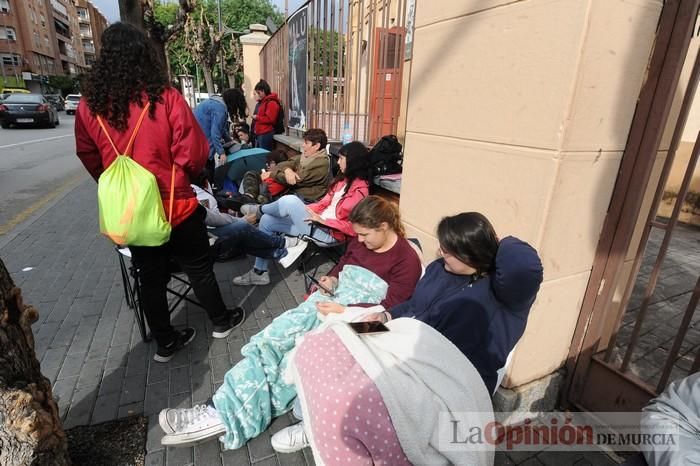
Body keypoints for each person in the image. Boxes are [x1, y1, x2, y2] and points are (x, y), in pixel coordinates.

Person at [156, 196, 422, 449]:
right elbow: (342, 264)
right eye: (358, 235)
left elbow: (388, 316)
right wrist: (331, 280)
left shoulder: (406, 260)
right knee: (271, 339)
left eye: (365, 234)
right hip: (324, 302)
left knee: (294, 359)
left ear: (384, 226)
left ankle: (221, 413)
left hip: (352, 322)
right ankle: (218, 406)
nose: (360, 241)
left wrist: (345, 312)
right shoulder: (360, 243)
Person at [273, 212, 543, 457]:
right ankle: (317, 418)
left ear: (469, 254)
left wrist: (498, 241)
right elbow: (414, 306)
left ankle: (326, 430)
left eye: (447, 250)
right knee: (339, 337)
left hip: (448, 372)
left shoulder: (505, 297)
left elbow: (525, 266)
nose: (439, 252)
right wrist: (385, 316)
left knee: (365, 390)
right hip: (404, 336)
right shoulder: (440, 270)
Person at [74, 23, 244, 363]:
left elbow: (88, 154)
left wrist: (116, 181)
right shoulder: (164, 98)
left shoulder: (88, 107)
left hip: (133, 210)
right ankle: (221, 321)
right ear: (144, 56)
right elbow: (194, 151)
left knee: (149, 279)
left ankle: (165, 342)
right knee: (198, 266)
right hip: (174, 202)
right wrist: (179, 174)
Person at [232, 140, 369, 286]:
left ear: (353, 162)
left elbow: (354, 228)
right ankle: (259, 272)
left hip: (329, 233)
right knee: (267, 220)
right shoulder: (342, 182)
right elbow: (323, 203)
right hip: (315, 222)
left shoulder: (360, 192)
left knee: (291, 201)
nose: (338, 161)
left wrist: (323, 221)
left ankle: (256, 210)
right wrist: (309, 210)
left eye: (341, 158)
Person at [194, 88, 247, 172]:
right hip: (202, 150)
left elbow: (221, 130)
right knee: (208, 172)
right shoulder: (220, 110)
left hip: (197, 146)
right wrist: (221, 153)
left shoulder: (215, 102)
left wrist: (230, 142)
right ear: (233, 103)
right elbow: (215, 134)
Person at [252, 79, 281, 150]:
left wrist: (257, 117)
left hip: (266, 133)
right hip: (261, 133)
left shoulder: (271, 103)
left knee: (264, 156)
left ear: (264, 91)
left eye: (259, 93)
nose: (258, 95)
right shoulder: (264, 101)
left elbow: (270, 119)